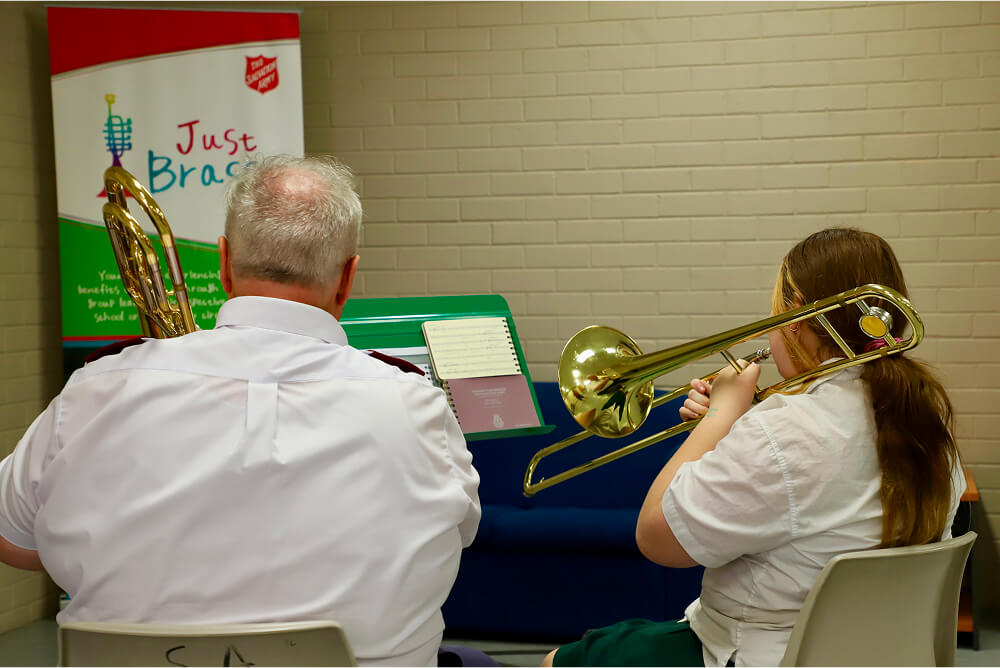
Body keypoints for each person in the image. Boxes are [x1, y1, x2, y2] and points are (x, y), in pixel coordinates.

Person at [0, 155, 481, 667]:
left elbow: (13, 539)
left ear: (224, 264)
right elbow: (458, 535)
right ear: (347, 277)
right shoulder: (418, 405)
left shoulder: (95, 388)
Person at [543, 227, 966, 667]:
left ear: (798, 318)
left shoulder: (782, 428)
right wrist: (719, 435)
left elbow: (655, 538)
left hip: (759, 654)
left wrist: (721, 418)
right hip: (883, 655)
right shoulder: (929, 421)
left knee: (561, 659)